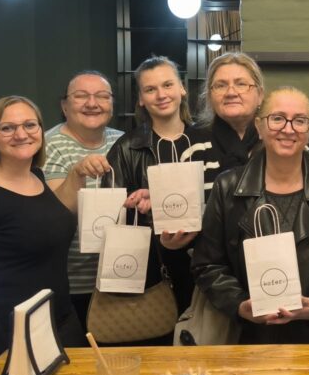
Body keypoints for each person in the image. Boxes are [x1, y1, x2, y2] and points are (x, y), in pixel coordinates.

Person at [191, 87, 309, 344]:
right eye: (277, 118)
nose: (288, 129)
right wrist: (239, 304)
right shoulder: (227, 187)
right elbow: (208, 265)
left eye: (300, 120)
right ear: (259, 127)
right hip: (249, 337)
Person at [0, 96, 103, 374]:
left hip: (61, 323)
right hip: (11, 335)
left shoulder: (38, 178)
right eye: (7, 128)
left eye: (30, 125)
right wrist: (3, 353)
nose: (21, 134)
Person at [105, 56, 213, 316]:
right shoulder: (126, 148)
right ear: (141, 99)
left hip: (207, 265)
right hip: (153, 270)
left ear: (182, 88)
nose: (161, 95)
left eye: (168, 85)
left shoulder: (208, 140)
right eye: (150, 89)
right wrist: (139, 208)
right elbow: (111, 217)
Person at [43, 70, 123, 329]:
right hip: (71, 283)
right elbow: (58, 214)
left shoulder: (123, 142)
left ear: (111, 104)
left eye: (102, 96)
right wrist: (77, 173)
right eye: (81, 96)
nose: (92, 103)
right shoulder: (46, 146)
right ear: (64, 106)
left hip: (122, 275)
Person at [195, 52, 264, 184]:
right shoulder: (191, 142)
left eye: (241, 84)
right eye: (221, 85)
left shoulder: (279, 138)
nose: (231, 93)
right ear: (209, 96)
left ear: (260, 95)